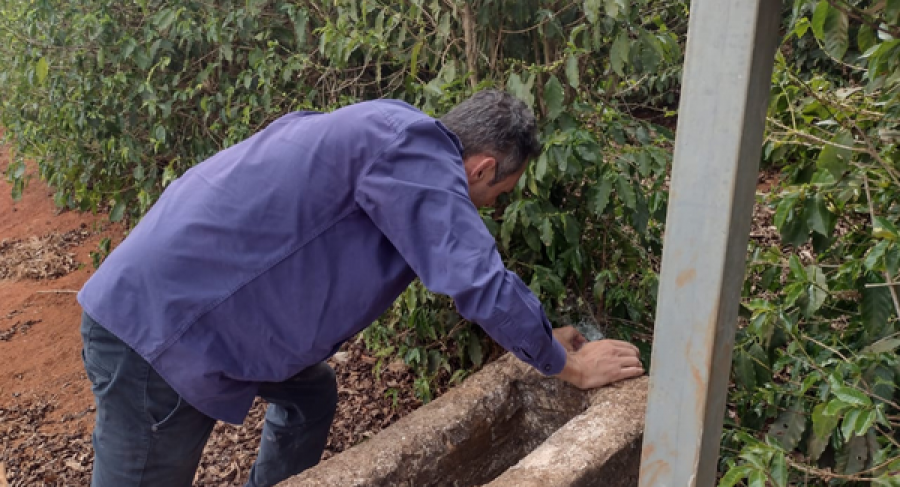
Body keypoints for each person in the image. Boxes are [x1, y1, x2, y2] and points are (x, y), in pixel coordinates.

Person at [77, 89, 645, 487]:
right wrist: (565, 365)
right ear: (481, 168)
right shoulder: (417, 156)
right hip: (161, 333)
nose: (490, 209)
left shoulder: (385, 128)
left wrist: (541, 333)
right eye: (497, 195)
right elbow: (476, 277)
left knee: (310, 397)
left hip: (192, 304)